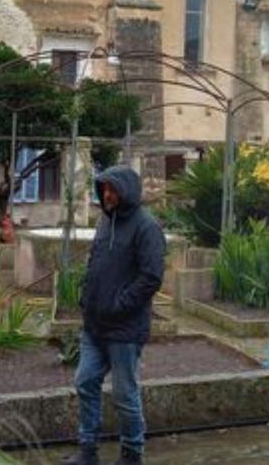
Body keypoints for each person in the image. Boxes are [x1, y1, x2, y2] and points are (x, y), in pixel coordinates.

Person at [62, 165, 165, 465]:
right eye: (103, 188)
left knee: (124, 395)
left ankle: (132, 455)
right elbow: (95, 261)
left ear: (127, 191)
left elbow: (151, 277)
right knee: (85, 381)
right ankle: (88, 451)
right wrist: (87, 296)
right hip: (95, 326)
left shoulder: (147, 227)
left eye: (112, 189)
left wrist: (119, 304)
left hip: (125, 329)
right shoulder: (105, 222)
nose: (107, 194)